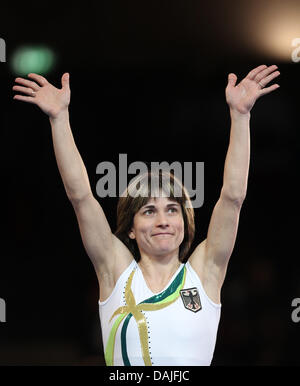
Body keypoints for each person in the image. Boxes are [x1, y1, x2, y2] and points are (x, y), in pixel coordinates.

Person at [12, 64, 280, 366]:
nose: (163, 220)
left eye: (172, 210)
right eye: (149, 211)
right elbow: (81, 197)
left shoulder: (205, 273)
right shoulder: (115, 271)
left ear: (184, 222)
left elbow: (232, 198)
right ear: (130, 228)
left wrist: (241, 116)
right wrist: (59, 119)